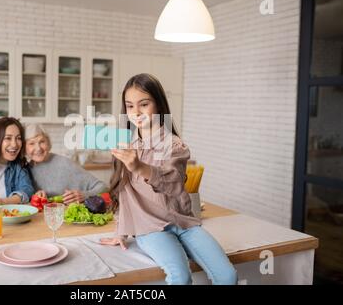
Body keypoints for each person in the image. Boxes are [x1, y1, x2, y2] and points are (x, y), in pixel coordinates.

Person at [99, 73, 237, 285]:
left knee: (228, 276)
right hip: (150, 227)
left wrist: (139, 166)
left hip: (184, 223)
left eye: (143, 104)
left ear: (159, 105)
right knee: (180, 277)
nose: (136, 112)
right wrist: (121, 231)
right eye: (129, 106)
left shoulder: (174, 145)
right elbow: (122, 192)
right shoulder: (125, 145)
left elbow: (173, 181)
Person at [25, 123, 107, 204]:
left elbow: (103, 187)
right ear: (25, 148)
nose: (38, 148)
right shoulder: (24, 170)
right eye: (31, 143)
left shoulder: (64, 163)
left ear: (48, 143)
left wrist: (84, 195)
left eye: (42, 141)